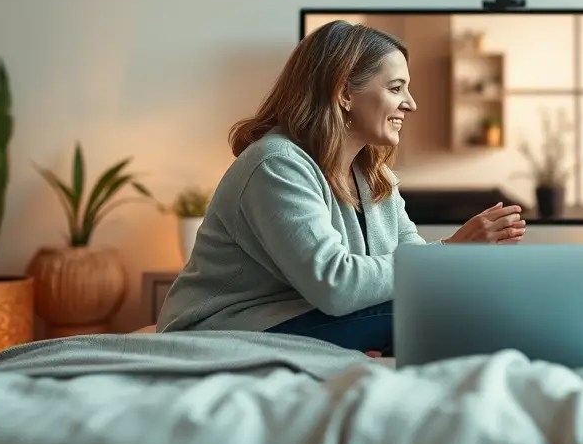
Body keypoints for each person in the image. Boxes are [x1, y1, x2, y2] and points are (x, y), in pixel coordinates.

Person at [157, 20, 526, 352]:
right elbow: (336, 285)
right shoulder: (275, 164)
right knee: (418, 314)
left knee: (439, 305)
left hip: (299, 321)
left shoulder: (375, 177)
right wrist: (451, 250)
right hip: (224, 332)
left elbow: (415, 269)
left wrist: (472, 264)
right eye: (397, 88)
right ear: (344, 93)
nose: (410, 104)